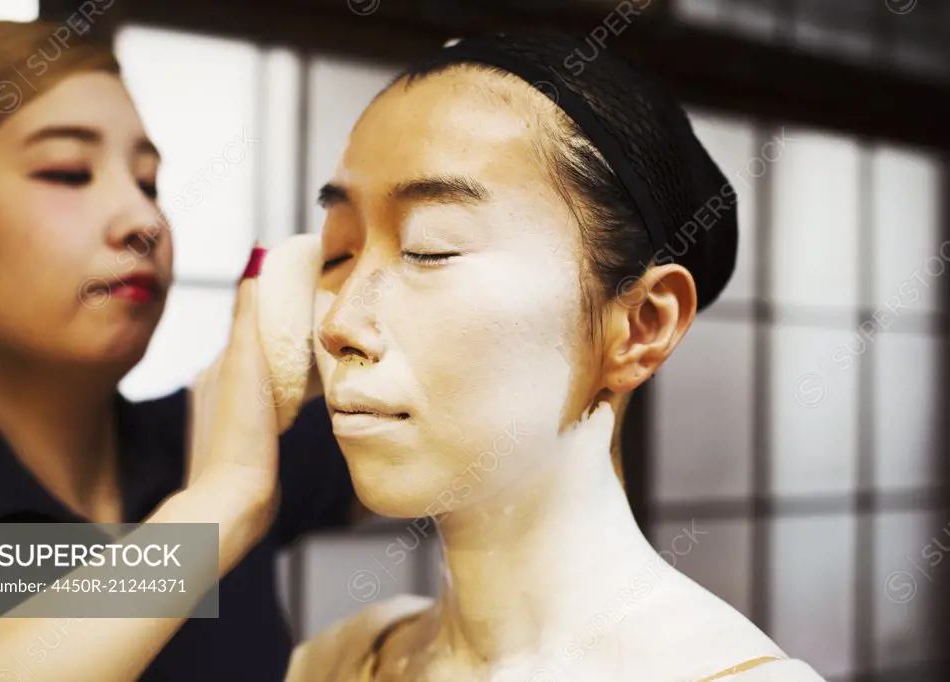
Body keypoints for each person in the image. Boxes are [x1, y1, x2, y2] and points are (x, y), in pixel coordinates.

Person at [286, 31, 827, 681]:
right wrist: (221, 491)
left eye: (431, 247)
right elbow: (136, 596)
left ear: (640, 326)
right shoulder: (342, 658)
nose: (339, 321)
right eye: (338, 254)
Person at [0, 20, 357, 681]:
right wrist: (218, 507)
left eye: (149, 182)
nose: (144, 221)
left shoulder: (203, 439)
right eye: (68, 172)